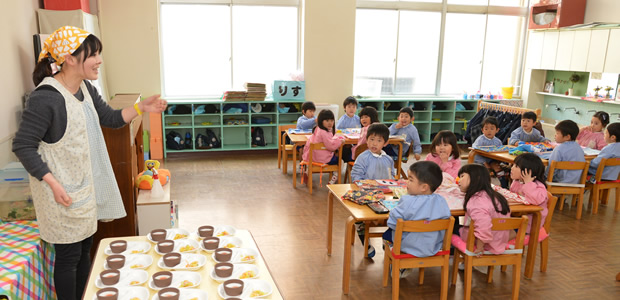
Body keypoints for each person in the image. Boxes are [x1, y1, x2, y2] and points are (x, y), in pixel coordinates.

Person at [11, 26, 167, 300]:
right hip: (58, 194)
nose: (99, 60)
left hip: (82, 189)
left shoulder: (85, 87)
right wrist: (52, 183)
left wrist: (143, 108)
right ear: (70, 58)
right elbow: (22, 145)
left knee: (85, 250)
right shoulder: (46, 98)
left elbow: (110, 118)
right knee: (69, 257)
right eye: (93, 54)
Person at [383, 161, 451, 262]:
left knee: (386, 234)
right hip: (432, 246)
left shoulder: (407, 201)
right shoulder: (442, 201)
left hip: (407, 246)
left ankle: (397, 262)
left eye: (411, 180)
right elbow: (446, 220)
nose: (407, 182)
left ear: (424, 187)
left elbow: (392, 223)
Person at [455, 164, 511, 255]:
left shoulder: (476, 201)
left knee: (451, 228)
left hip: (486, 243)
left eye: (462, 176)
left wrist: (480, 247)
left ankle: (454, 257)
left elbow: (484, 225)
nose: (458, 180)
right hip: (500, 238)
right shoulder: (496, 196)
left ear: (475, 178)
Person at [301, 109, 345, 185]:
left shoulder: (318, 129)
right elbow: (331, 146)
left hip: (313, 157)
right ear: (321, 121)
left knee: (336, 155)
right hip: (323, 158)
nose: (330, 123)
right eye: (327, 121)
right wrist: (340, 140)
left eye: (332, 120)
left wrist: (336, 135)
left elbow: (330, 136)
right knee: (340, 161)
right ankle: (334, 178)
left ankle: (308, 171)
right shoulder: (324, 132)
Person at [510, 153, 548, 234]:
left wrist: (528, 183)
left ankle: (504, 246)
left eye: (516, 166)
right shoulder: (518, 181)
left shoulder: (538, 186)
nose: (512, 168)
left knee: (500, 231)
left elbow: (535, 200)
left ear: (528, 172)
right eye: (513, 165)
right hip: (518, 218)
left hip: (530, 224)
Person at [472, 116, 509, 187]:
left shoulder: (498, 141)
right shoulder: (480, 140)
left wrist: (500, 162)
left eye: (492, 129)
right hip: (481, 161)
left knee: (499, 170)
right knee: (485, 172)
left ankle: (504, 186)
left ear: (497, 130)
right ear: (482, 130)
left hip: (492, 161)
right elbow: (475, 152)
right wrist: (485, 163)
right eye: (486, 129)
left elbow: (500, 153)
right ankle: (483, 186)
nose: (489, 131)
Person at [546, 120, 585, 184]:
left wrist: (544, 179)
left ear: (567, 137)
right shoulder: (579, 149)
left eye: (557, 133)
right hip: (576, 184)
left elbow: (551, 170)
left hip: (559, 183)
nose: (555, 135)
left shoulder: (558, 149)